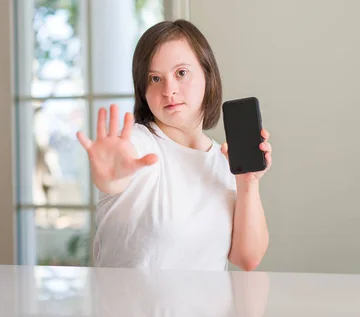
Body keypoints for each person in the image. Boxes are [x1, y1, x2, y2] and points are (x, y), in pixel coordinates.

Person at [76, 19, 272, 271]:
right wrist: (108, 177)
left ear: (207, 76)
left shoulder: (224, 160)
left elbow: (247, 258)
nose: (169, 90)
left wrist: (248, 183)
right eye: (155, 79)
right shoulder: (136, 144)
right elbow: (114, 179)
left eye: (181, 73)